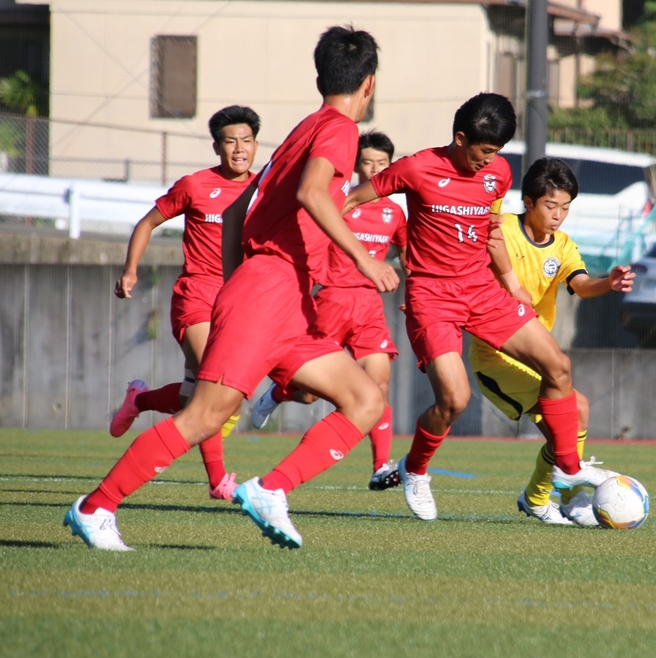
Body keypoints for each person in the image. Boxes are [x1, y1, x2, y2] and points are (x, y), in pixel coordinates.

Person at [64, 25, 398, 551]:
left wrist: (235, 279)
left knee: (364, 400)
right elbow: (313, 193)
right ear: (370, 85)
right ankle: (95, 507)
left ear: (320, 77)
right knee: (204, 416)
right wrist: (362, 259)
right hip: (269, 291)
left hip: (283, 298)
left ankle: (271, 489)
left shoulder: (305, 127)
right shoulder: (339, 129)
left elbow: (244, 207)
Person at [343, 92, 618, 522]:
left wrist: (511, 283)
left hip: (482, 292)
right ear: (459, 138)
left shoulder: (498, 172)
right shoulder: (416, 167)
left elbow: (489, 229)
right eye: (485, 151)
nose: (490, 161)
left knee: (558, 367)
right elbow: (347, 202)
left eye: (498, 153)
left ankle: (567, 469)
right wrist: (347, 252)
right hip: (432, 297)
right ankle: (414, 470)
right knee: (453, 399)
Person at [468, 157, 635, 527]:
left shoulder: (562, 246)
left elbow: (580, 284)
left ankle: (550, 497)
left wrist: (608, 282)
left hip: (535, 357)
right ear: (528, 202)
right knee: (566, 424)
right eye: (550, 205)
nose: (558, 215)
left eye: (565, 207)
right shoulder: (503, 230)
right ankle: (555, 497)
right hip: (496, 359)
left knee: (578, 411)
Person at [109, 105, 261, 501]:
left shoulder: (264, 189)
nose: (239, 148)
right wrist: (130, 271)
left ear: (256, 145)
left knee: (192, 399)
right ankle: (218, 480)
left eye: (246, 140)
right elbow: (147, 223)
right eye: (230, 141)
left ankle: (139, 399)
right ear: (217, 146)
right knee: (214, 384)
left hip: (239, 301)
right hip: (196, 296)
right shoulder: (195, 186)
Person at [251, 130, 407, 491]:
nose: (373, 169)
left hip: (369, 305)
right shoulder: (338, 204)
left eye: (381, 164)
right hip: (332, 300)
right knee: (309, 393)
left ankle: (381, 466)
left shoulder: (394, 212)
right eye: (367, 162)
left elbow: (408, 254)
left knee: (378, 385)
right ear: (356, 167)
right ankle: (276, 394)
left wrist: (413, 293)